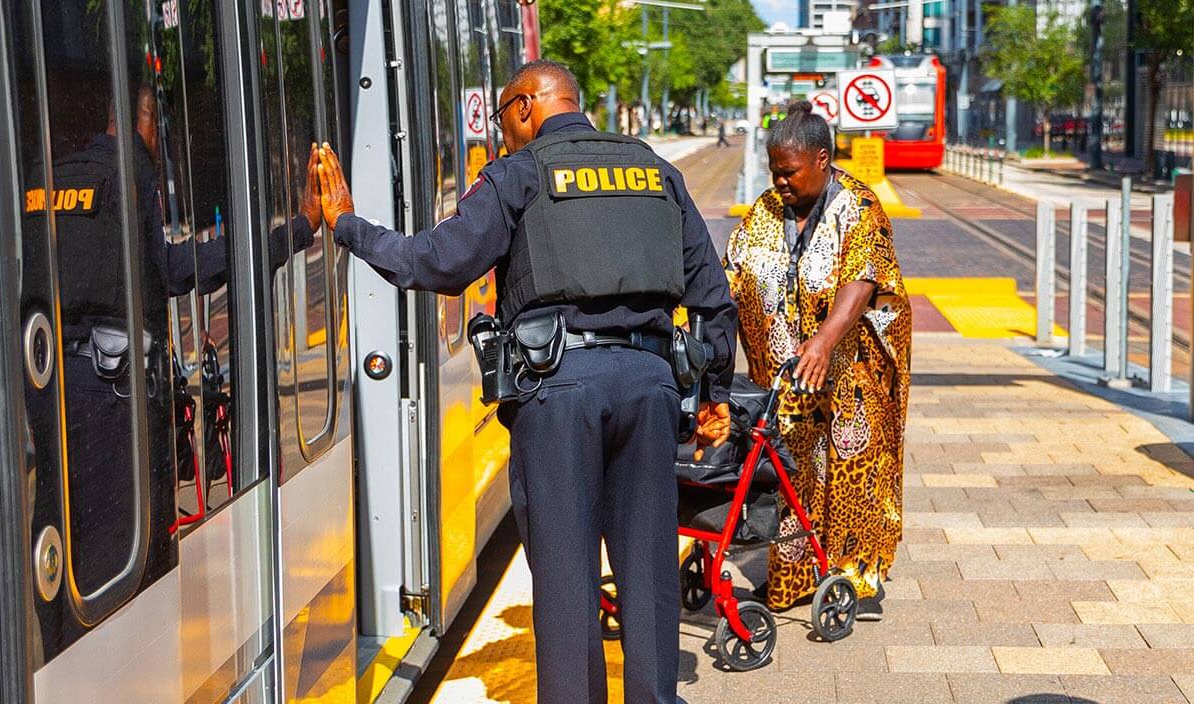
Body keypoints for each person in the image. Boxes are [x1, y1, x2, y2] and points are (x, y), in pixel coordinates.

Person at [310, 60, 736, 704]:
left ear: (523, 108)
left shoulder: (519, 175)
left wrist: (347, 225)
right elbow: (711, 295)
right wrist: (715, 397)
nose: (504, 137)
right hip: (651, 388)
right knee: (649, 570)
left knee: (566, 581)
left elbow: (438, 262)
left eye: (505, 122)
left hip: (559, 390)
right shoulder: (658, 172)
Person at [725, 100, 911, 619]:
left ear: (823, 159)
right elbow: (734, 272)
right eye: (774, 172)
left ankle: (851, 577)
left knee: (854, 468)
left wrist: (826, 341)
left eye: (789, 172)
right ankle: (793, 580)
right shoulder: (763, 211)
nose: (779, 182)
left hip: (853, 370)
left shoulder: (859, 207)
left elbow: (863, 276)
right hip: (785, 373)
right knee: (791, 471)